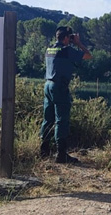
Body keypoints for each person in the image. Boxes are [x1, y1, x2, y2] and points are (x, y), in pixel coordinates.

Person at [39, 26, 92, 163]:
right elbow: (88, 55)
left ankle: (43, 151)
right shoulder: (66, 50)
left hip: (47, 85)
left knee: (47, 119)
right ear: (66, 38)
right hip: (59, 87)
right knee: (61, 121)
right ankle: (61, 154)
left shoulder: (49, 49)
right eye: (70, 37)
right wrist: (78, 43)